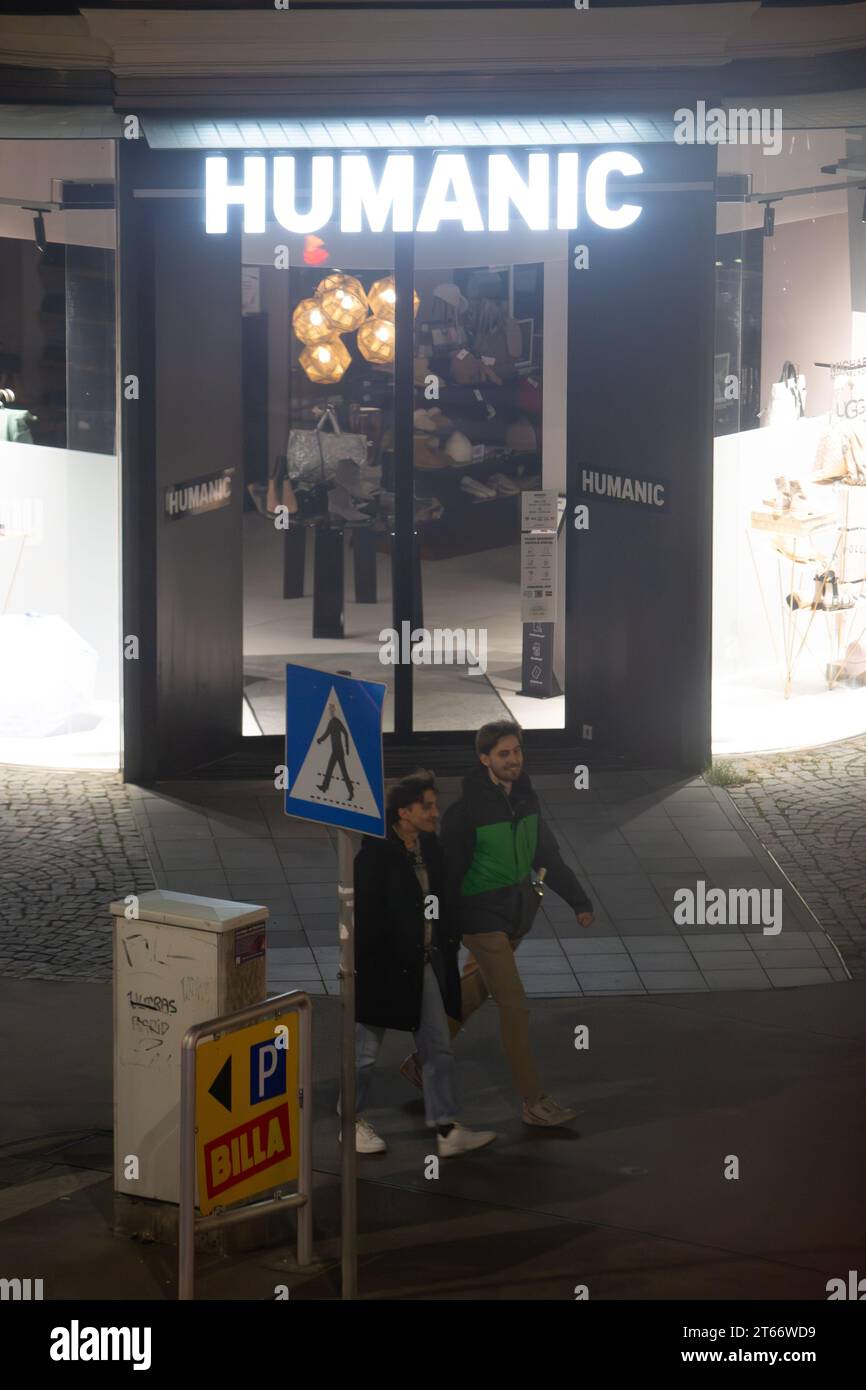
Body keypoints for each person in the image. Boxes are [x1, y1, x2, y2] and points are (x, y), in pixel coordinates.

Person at [430, 720, 594, 1126]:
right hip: (480, 917)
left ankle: (423, 1059)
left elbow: (547, 857)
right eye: (503, 754)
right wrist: (444, 929)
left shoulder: (526, 799)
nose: (513, 760)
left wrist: (578, 900)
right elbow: (448, 877)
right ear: (484, 758)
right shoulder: (465, 813)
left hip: (515, 915)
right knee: (515, 1006)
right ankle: (533, 1101)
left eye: (516, 751)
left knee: (476, 989)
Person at [344, 770, 497, 1158]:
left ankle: (446, 1128)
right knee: (364, 1053)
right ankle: (351, 1121)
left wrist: (447, 942)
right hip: (383, 969)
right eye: (426, 806)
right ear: (403, 813)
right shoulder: (375, 858)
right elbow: (369, 919)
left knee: (436, 1046)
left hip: (423, 963)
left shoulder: (431, 849)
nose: (434, 812)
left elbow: (445, 900)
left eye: (435, 805)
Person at [317, 701, 353, 800]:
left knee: (343, 772)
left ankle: (351, 792)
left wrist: (347, 748)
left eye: (331, 709)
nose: (330, 711)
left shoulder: (336, 721)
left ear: (334, 710)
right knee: (330, 768)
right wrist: (319, 740)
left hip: (339, 751)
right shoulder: (331, 722)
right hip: (335, 751)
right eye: (329, 710)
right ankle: (325, 787)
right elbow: (327, 733)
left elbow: (345, 733)